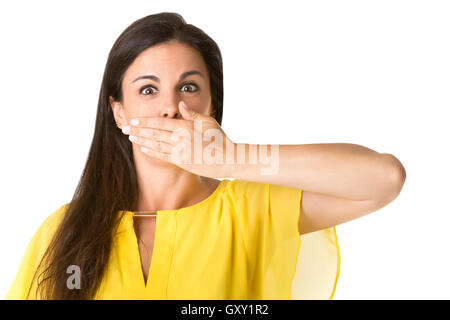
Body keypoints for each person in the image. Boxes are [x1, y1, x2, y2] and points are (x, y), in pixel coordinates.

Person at [5, 12, 406, 300]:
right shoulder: (65, 232)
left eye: (189, 87)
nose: (170, 107)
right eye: (148, 89)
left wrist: (230, 158)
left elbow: (384, 178)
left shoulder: (250, 210)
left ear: (212, 103)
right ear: (118, 111)